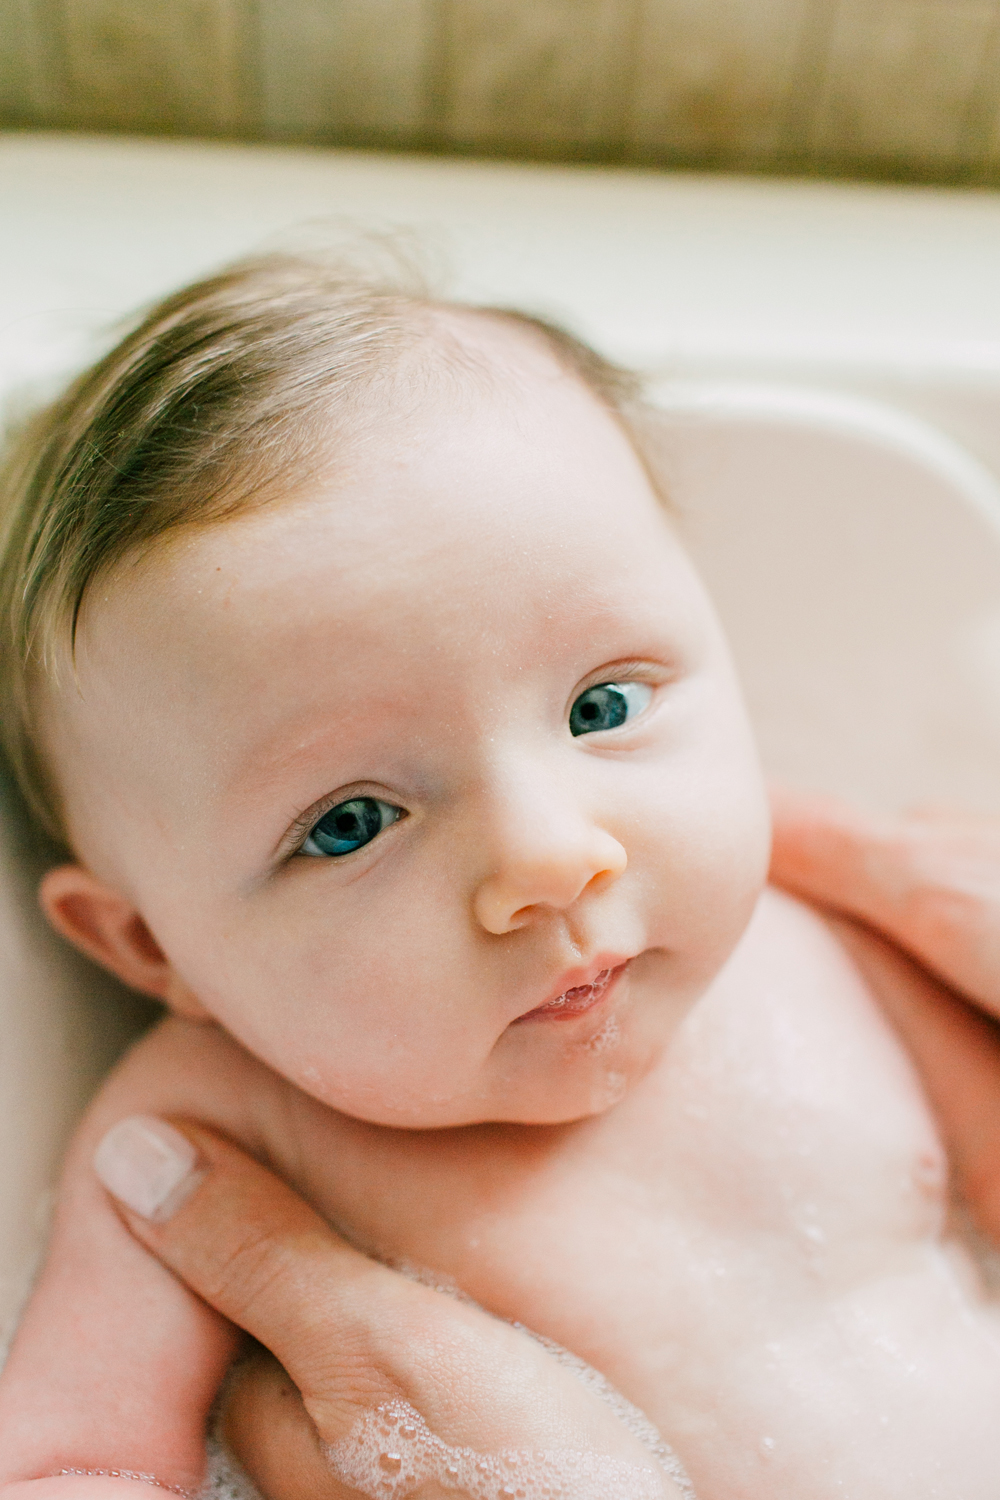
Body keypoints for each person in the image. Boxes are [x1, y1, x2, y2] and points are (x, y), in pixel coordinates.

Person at [1, 251, 999, 1500]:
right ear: (150, 949)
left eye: (601, 704)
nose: (552, 857)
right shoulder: (200, 1132)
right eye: (353, 822)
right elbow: (70, 1463)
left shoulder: (824, 947)